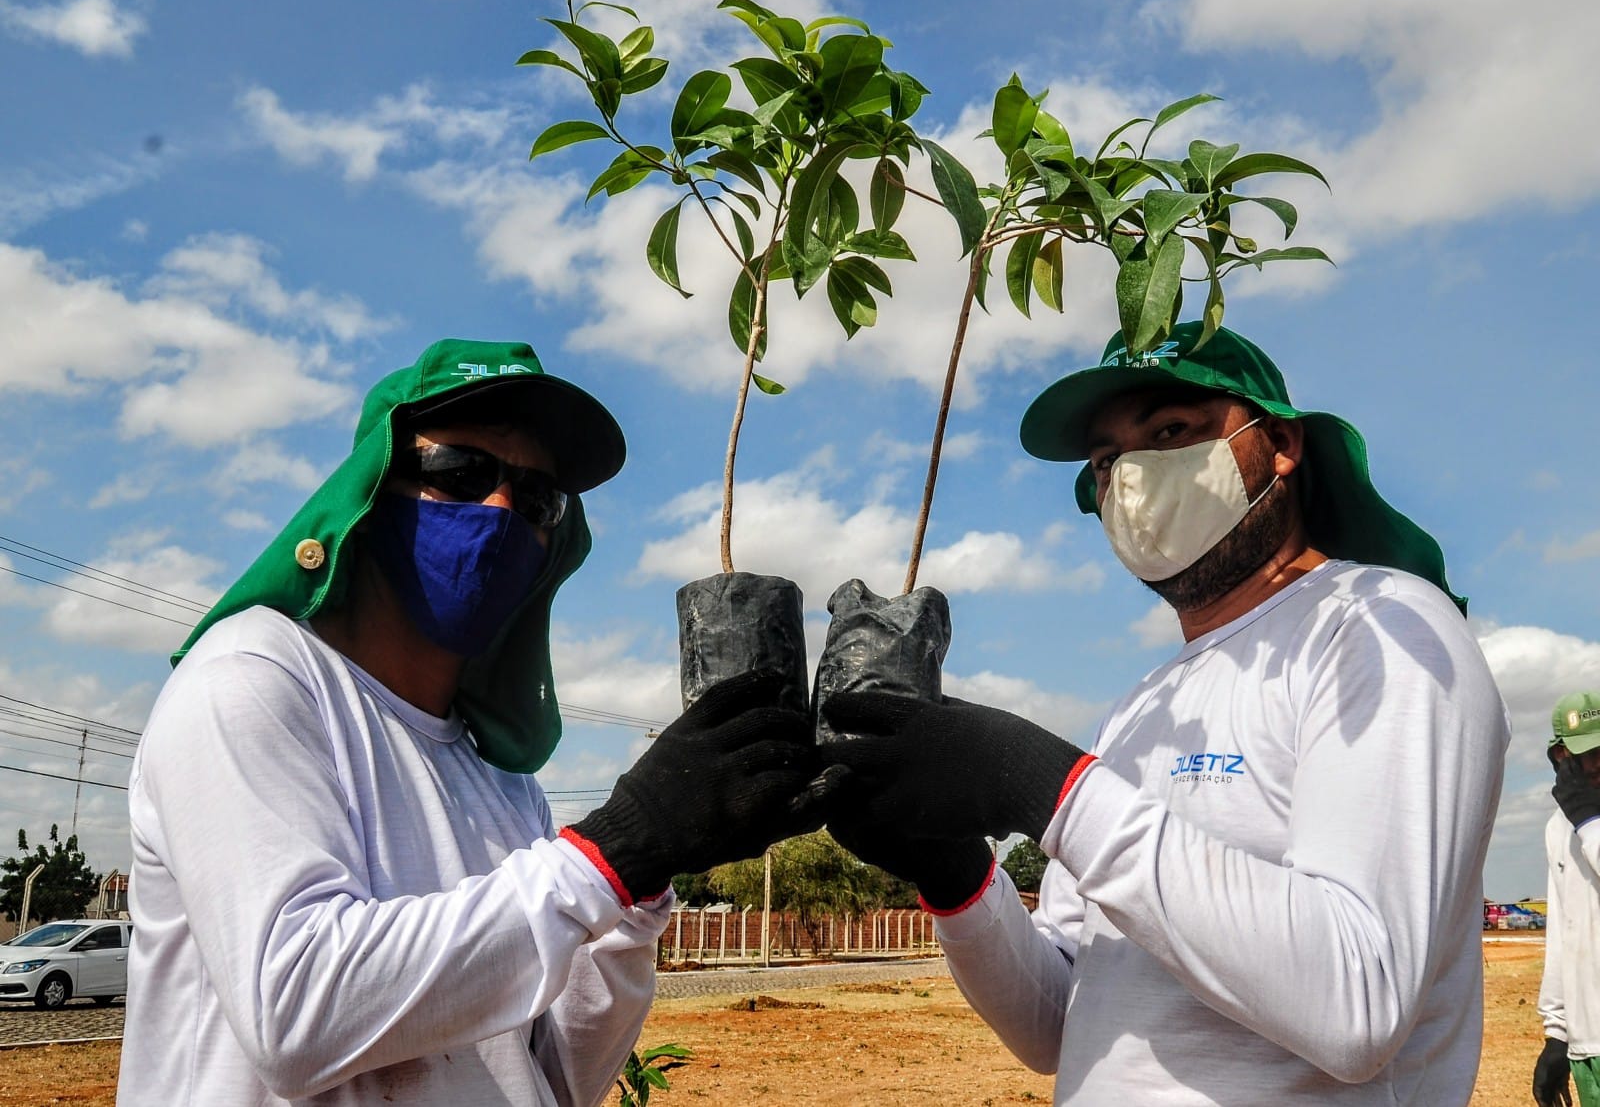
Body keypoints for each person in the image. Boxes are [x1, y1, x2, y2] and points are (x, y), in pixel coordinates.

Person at [118, 338, 823, 1106]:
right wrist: (616, 848)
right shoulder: (256, 680)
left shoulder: (499, 775)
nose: (499, 512)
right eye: (460, 472)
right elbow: (293, 1011)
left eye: (536, 499)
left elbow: (554, 1077)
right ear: (370, 492)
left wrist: (638, 886)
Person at [819, 321, 1510, 1104]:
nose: (1135, 477)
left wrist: (1040, 781)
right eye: (1109, 460)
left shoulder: (1383, 628)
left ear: (1278, 441)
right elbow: (1055, 1023)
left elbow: (1360, 999)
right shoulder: (1145, 704)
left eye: (1171, 431)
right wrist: (951, 868)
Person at [1534, 690, 1600, 1107]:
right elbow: (1564, 929)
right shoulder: (1560, 828)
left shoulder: (1585, 823)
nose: (1599, 764)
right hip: (1587, 1044)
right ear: (1560, 756)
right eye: (1588, 754)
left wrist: (1590, 822)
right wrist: (1557, 1033)